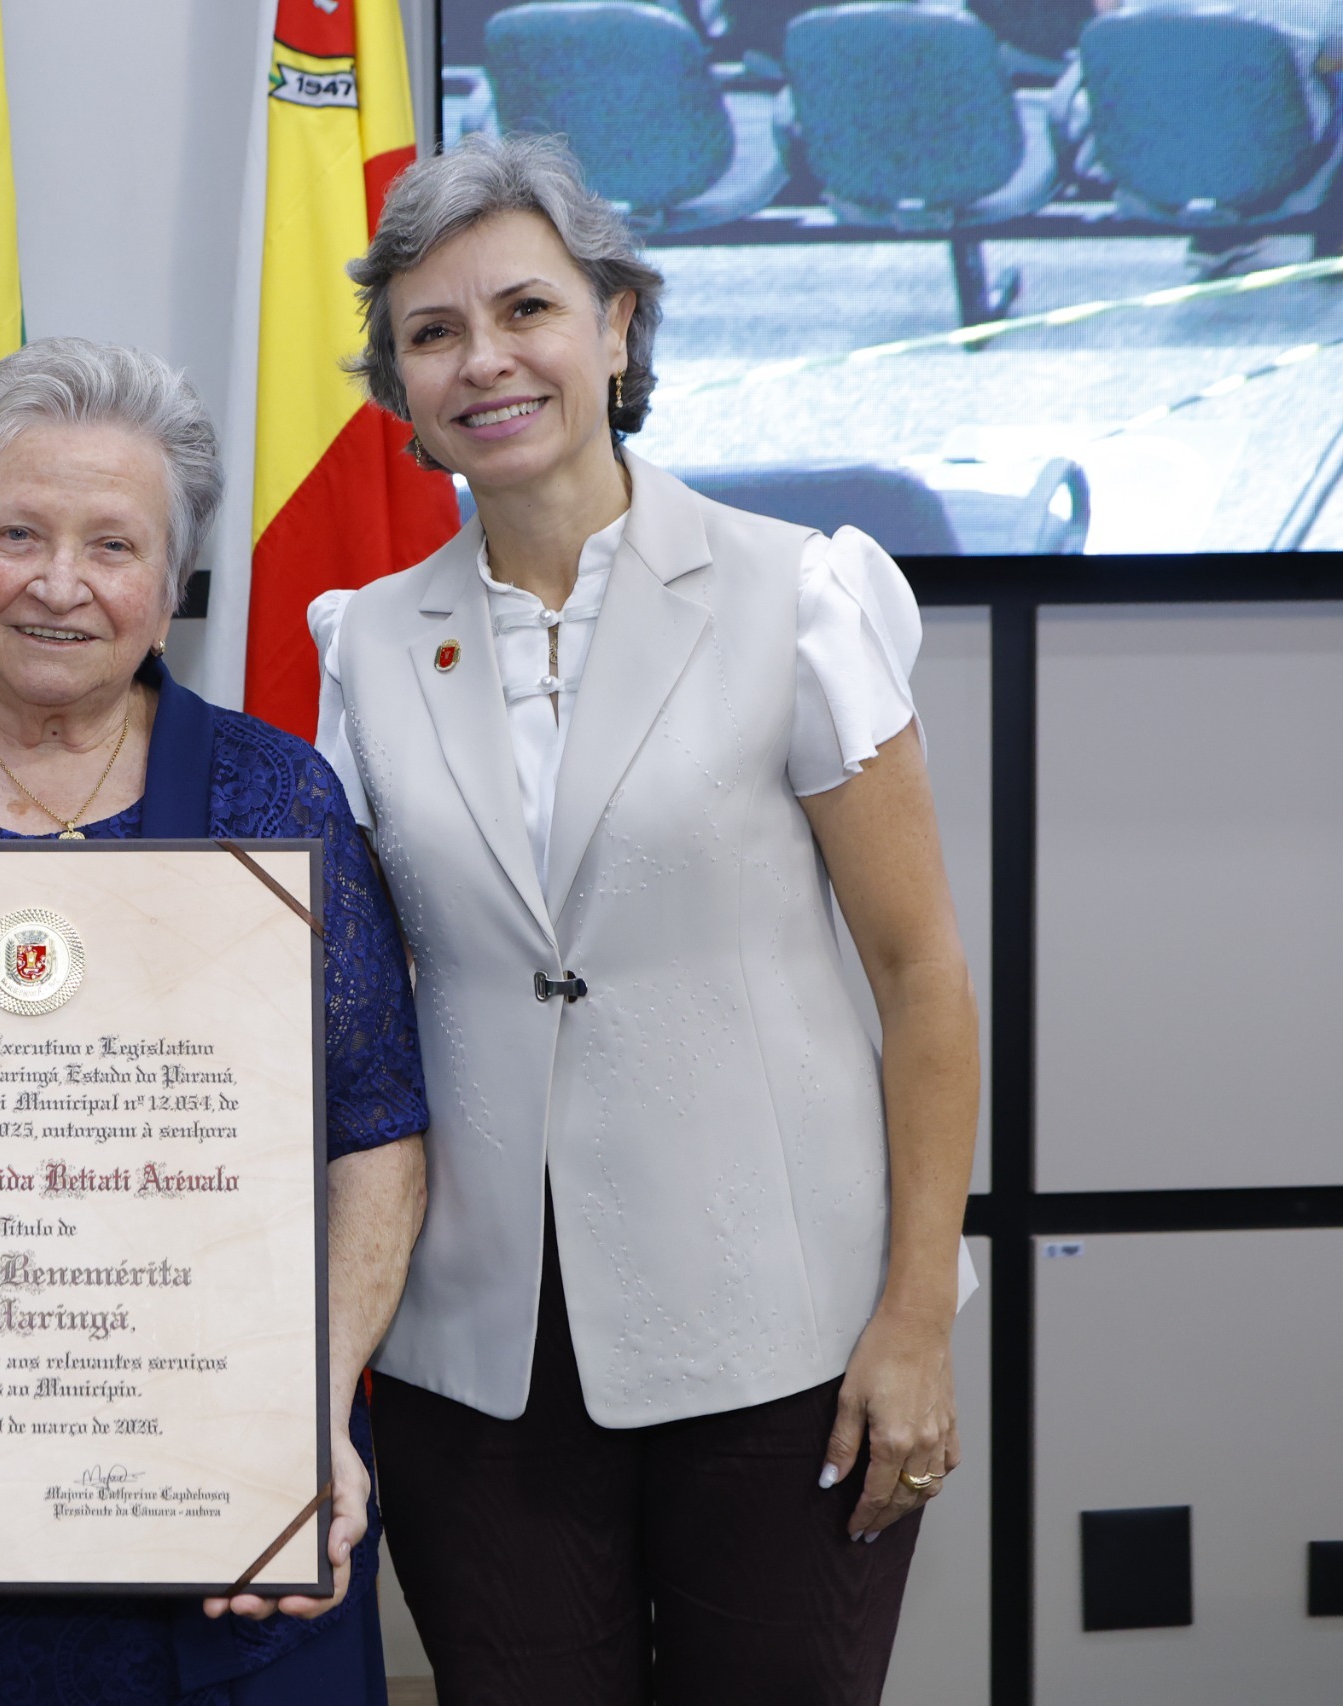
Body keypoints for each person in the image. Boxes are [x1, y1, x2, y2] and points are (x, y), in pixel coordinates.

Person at [310, 134, 981, 1704]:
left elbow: (922, 973)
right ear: (397, 386)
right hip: (474, 1363)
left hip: (787, 1340)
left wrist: (916, 1315)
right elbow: (345, 1008)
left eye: (526, 309)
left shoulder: (801, 595)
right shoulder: (360, 646)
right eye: (432, 331)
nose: (485, 360)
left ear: (620, 325)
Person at [0, 337, 431, 1705]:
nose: (60, 582)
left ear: (169, 587)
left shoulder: (274, 795)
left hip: (217, 1524)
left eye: (112, 543)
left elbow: (377, 1129)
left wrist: (314, 1399)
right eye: (15, 533)